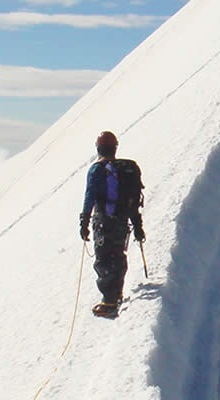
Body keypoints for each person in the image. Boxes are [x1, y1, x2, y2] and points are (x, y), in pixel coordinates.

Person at [79, 131, 145, 317]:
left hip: (104, 220)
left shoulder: (97, 170)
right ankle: (116, 294)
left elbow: (90, 196)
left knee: (104, 258)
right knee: (118, 254)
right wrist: (138, 226)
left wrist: (84, 221)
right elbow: (132, 201)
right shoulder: (127, 169)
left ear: (99, 148)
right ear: (115, 148)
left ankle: (109, 301)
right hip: (122, 220)